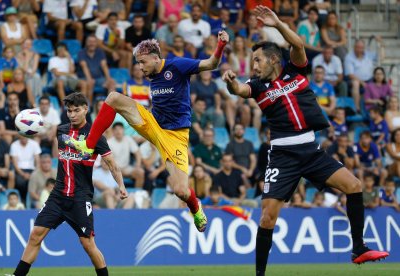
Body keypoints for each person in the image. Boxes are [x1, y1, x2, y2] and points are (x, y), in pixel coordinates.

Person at [221, 6, 388, 274]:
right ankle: (260, 274)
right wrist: (230, 82)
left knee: (354, 186)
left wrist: (277, 24)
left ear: (274, 60)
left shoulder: (295, 71)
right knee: (267, 218)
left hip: (311, 151)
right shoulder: (257, 86)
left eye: (257, 60)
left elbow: (298, 44)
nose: (253, 66)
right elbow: (239, 89)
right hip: (283, 156)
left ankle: (359, 247)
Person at [63, 31, 230, 233]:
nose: (140, 68)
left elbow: (211, 64)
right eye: (138, 64)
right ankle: (88, 145)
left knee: (181, 191)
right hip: (153, 124)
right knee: (113, 97)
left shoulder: (177, 66)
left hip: (175, 136)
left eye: (142, 62)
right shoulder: (152, 75)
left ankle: (196, 208)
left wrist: (220, 45)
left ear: (154, 57)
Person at [13, 92, 128, 276]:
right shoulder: (61, 130)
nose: (72, 114)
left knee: (88, 244)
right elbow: (41, 129)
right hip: (57, 196)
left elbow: (112, 164)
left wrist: (121, 185)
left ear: (85, 110)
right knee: (35, 235)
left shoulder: (95, 136)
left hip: (79, 198)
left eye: (76, 110)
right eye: (69, 110)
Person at [78, 35, 116, 104]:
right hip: (85, 78)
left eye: (94, 42)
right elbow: (84, 66)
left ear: (96, 43)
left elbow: (104, 65)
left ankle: (110, 107)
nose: (92, 44)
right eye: (90, 42)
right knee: (90, 83)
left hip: (99, 79)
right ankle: (88, 107)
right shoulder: (81, 52)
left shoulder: (100, 52)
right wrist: (89, 79)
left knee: (112, 83)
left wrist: (108, 79)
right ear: (86, 43)